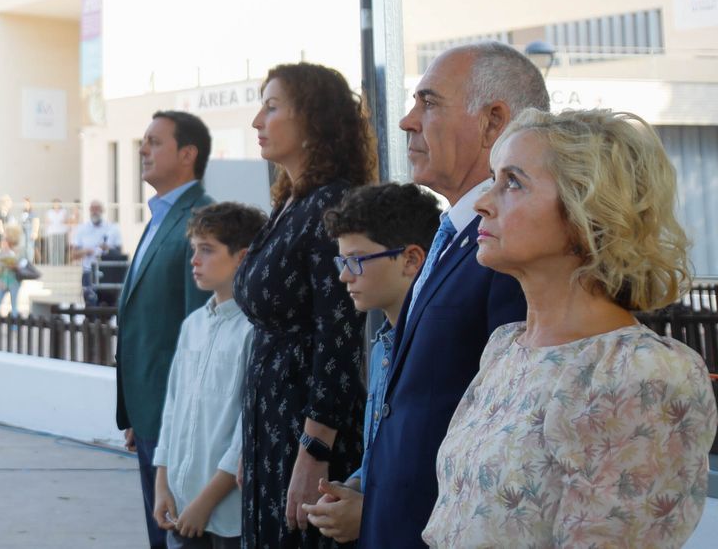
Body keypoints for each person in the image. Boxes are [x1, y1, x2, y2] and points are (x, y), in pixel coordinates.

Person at [424, 109, 717, 546]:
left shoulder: (643, 374)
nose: (483, 202)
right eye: (492, 179)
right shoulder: (506, 347)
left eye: (514, 183)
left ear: (587, 214)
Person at [354, 43, 539, 548]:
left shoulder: (515, 251)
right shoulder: (455, 233)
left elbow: (510, 431)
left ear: (492, 121)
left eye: (429, 103)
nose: (407, 121)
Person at [235, 63, 372, 549]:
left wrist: (314, 449)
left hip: (306, 426)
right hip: (273, 420)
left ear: (314, 119)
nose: (257, 121)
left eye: (271, 108)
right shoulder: (293, 202)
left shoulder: (330, 205)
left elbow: (339, 338)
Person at [302, 183, 441, 544]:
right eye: (341, 261)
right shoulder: (381, 346)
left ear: (411, 259)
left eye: (357, 261)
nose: (344, 276)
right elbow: (380, 453)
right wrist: (351, 488)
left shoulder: (439, 351)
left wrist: (370, 511)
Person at [117, 110, 214, 549]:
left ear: (188, 153)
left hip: (181, 423)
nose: (143, 150)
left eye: (155, 142)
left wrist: (179, 424)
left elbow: (201, 333)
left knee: (180, 540)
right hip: (151, 414)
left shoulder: (202, 220)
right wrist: (134, 410)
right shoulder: (159, 217)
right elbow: (146, 322)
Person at [153, 201, 265, 549]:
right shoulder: (192, 326)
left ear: (243, 257)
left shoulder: (255, 331)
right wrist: (162, 483)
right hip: (180, 504)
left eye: (207, 250)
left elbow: (247, 429)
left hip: (226, 516)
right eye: (193, 250)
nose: (194, 260)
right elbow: (172, 410)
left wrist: (205, 502)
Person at [71, 200, 122, 306]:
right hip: (88, 272)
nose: (95, 212)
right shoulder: (81, 229)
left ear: (102, 211)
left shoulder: (112, 228)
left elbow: (120, 253)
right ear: (89, 211)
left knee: (108, 306)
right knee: (91, 306)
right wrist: (86, 251)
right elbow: (73, 254)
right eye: (92, 209)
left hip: (108, 273)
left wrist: (108, 249)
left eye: (97, 209)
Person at [0, 225, 24, 316]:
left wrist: (13, 265)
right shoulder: (2, 253)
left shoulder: (17, 252)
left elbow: (20, 265)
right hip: (3, 281)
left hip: (13, 281)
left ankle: (14, 324)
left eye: (5, 240)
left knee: (14, 304)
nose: (3, 241)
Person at [42, 198, 70, 265]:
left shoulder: (64, 211)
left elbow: (66, 220)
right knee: (53, 248)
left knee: (61, 248)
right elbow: (46, 221)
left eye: (58, 203)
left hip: (61, 232)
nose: (56, 205)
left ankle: (61, 262)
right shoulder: (49, 212)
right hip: (52, 232)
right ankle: (53, 263)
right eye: (55, 203)